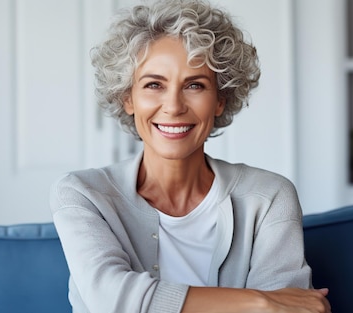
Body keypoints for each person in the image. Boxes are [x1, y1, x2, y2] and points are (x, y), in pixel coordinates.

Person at [50, 0, 330, 312]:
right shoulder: (83, 193)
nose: (173, 106)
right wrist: (259, 301)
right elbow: (110, 300)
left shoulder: (268, 197)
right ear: (128, 98)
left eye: (194, 85)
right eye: (154, 84)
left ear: (220, 100)